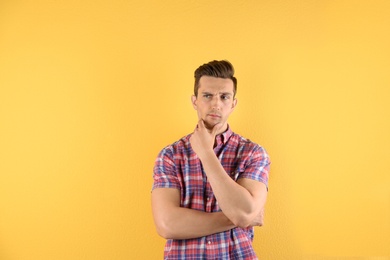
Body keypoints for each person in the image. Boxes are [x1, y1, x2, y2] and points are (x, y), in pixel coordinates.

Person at [151, 60, 270, 259]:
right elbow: (166, 224)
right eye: (207, 96)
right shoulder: (170, 156)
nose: (216, 104)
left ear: (233, 103)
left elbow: (243, 213)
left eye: (224, 97)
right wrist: (238, 217)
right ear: (195, 100)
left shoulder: (253, 153)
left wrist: (206, 153)